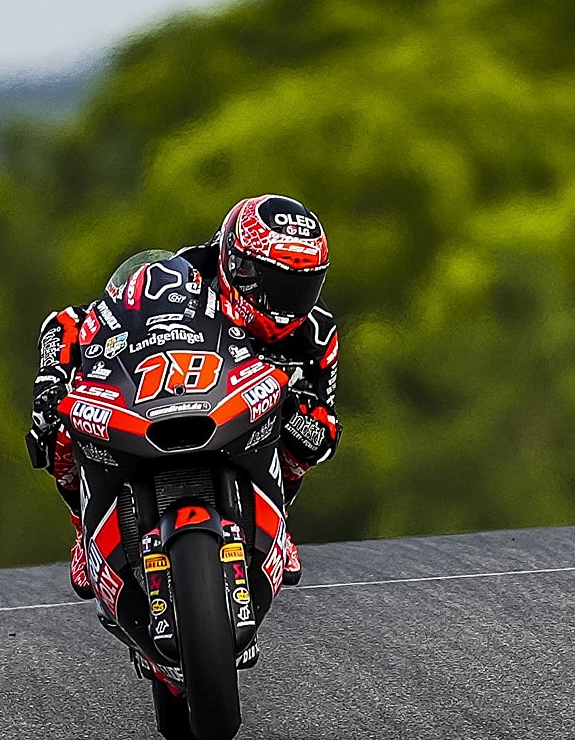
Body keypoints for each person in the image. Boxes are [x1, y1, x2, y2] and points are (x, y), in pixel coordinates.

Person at [29, 194, 342, 598]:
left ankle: (276, 519)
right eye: (276, 285)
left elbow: (326, 428)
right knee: (55, 428)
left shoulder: (316, 332)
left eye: (301, 288)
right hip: (167, 391)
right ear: (239, 265)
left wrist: (295, 414)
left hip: (248, 413)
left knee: (307, 442)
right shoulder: (184, 274)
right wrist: (51, 377)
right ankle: (84, 530)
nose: (285, 306)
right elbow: (72, 320)